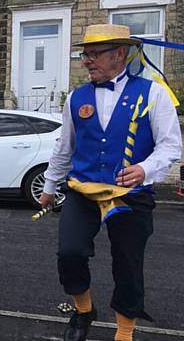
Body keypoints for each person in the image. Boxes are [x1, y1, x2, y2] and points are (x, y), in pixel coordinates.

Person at [39, 24, 182, 341]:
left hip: (131, 195)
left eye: (94, 54)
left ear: (120, 53)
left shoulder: (153, 93)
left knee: (128, 263)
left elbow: (171, 146)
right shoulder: (76, 98)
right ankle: (84, 310)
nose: (87, 60)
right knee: (70, 253)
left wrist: (145, 168)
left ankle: (125, 329)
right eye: (84, 54)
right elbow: (64, 147)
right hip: (83, 190)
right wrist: (49, 188)